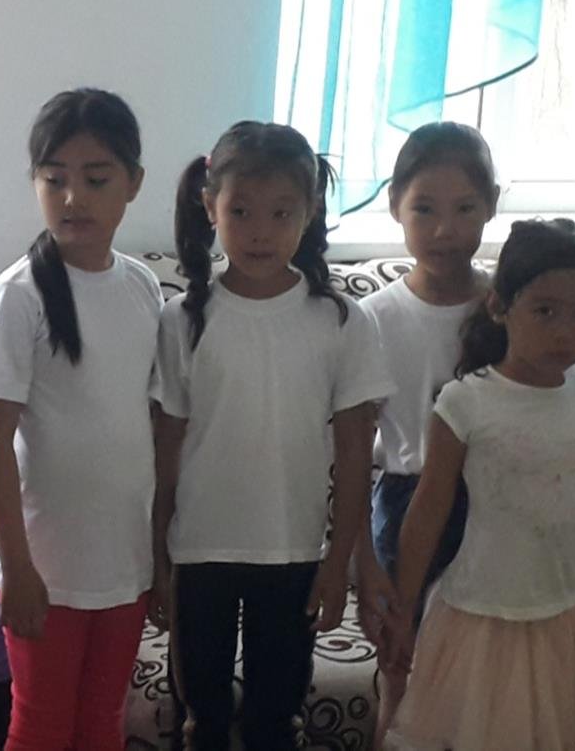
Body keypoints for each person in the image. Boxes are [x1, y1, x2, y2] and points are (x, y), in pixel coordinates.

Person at [154, 121, 392, 750]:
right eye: (241, 211)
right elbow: (166, 448)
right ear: (210, 207)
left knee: (275, 721)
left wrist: (339, 562)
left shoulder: (342, 321)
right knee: (201, 719)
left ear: (308, 212)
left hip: (293, 554)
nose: (260, 230)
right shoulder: (182, 319)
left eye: (281, 212)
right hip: (199, 551)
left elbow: (355, 454)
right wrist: (157, 556)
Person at [386, 220, 575, 751]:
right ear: (500, 307)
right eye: (545, 311)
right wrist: (403, 607)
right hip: (486, 611)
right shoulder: (465, 401)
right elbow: (429, 508)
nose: (565, 331)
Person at [0, 88, 161, 750]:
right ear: (36, 183)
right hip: (44, 567)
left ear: (133, 183)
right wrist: (17, 566)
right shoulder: (16, 299)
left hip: (123, 562)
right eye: (55, 180)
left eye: (96, 179)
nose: (74, 197)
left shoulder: (142, 288)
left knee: (102, 723)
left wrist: (157, 555)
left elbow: (147, 427)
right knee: (41, 727)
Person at [352, 122, 497, 745]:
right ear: (394, 206)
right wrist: (361, 558)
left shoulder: (511, 309)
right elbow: (352, 452)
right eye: (425, 209)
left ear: (491, 205)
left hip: (495, 507)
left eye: (465, 209)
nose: (444, 230)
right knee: (401, 671)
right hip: (406, 506)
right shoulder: (372, 319)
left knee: (483, 679)